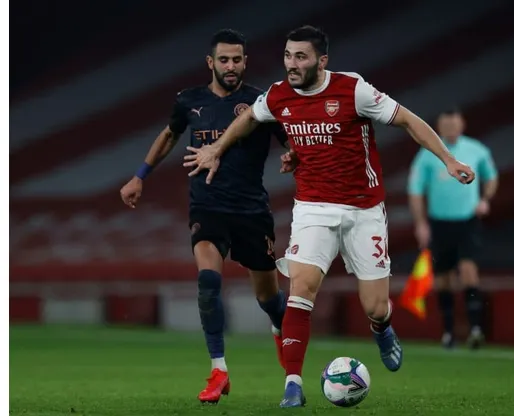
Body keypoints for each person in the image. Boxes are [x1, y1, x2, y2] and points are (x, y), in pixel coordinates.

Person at [183, 25, 475, 408]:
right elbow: (250, 118)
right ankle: (292, 384)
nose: (291, 64)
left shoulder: (353, 90)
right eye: (288, 55)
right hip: (313, 208)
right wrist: (217, 149)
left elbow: (407, 120)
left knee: (375, 306)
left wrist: (448, 160)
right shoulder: (278, 95)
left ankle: (382, 327)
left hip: (363, 210)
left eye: (300, 57)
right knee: (301, 289)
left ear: (321, 61)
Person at [119, 29, 294, 404]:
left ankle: (280, 331)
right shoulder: (189, 100)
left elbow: (290, 138)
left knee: (268, 298)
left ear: (245, 62)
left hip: (251, 211)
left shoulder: (260, 102)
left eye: (237, 60)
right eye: (224, 60)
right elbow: (170, 135)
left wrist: (293, 154)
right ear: (210, 62)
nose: (231, 66)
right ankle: (219, 370)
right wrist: (139, 176)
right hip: (207, 206)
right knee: (208, 282)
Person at [407, 108, 498, 350]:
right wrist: (420, 223)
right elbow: (415, 190)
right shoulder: (428, 154)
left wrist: (485, 199)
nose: (450, 130)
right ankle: (448, 333)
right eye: (446, 126)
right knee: (443, 279)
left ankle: (475, 329)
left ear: (462, 125)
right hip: (439, 223)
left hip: (467, 221)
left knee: (468, 271)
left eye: (454, 125)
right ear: (439, 127)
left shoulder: (476, 150)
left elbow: (491, 177)